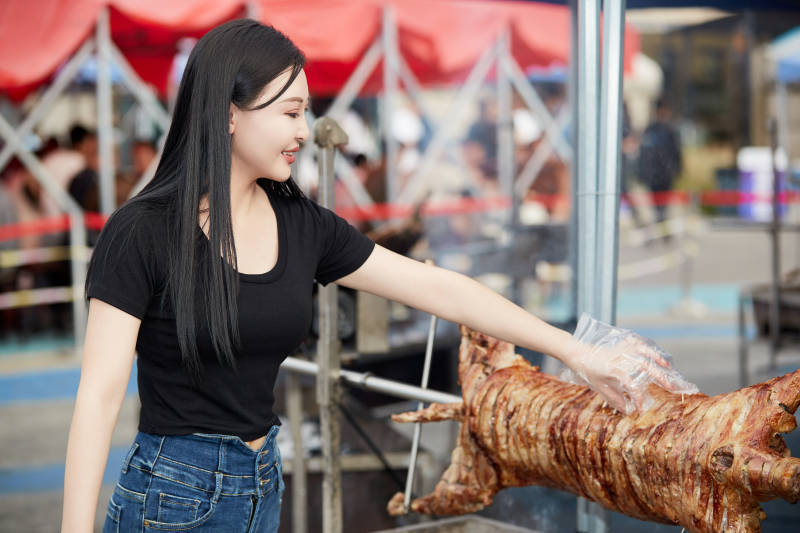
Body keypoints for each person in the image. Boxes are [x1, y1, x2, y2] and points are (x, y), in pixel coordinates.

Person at [61, 20, 691, 533]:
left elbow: (441, 288)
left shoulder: (301, 224)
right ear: (229, 115)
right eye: (290, 113)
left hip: (261, 484)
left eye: (306, 113)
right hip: (172, 495)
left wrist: (579, 353)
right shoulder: (140, 232)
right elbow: (98, 397)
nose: (304, 133)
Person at [638, 97, 682, 226]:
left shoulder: (671, 130)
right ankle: (660, 225)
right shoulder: (651, 130)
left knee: (664, 204)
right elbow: (645, 153)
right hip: (653, 174)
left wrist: (677, 169)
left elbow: (676, 152)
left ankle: (661, 225)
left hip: (666, 174)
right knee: (656, 204)